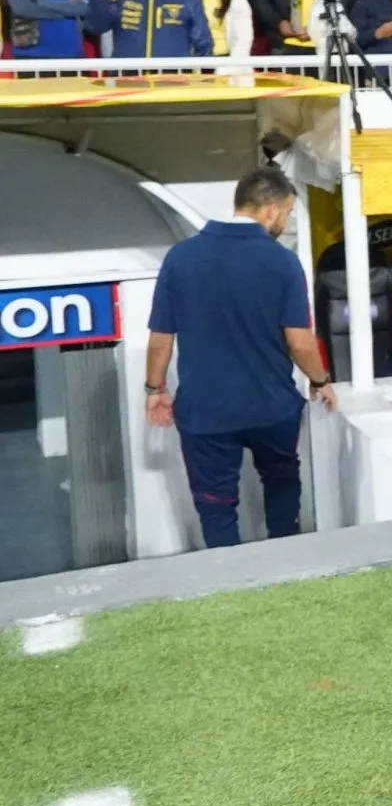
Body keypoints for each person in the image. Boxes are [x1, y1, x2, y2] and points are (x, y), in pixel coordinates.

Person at [143, 166, 336, 548]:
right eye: (287, 212)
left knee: (216, 505)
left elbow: (160, 338)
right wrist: (320, 381)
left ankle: (228, 584)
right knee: (281, 481)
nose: (285, 221)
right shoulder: (282, 262)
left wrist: (154, 389)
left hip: (205, 412)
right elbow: (299, 341)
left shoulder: (180, 258)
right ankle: (286, 564)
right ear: (270, 211)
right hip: (272, 407)